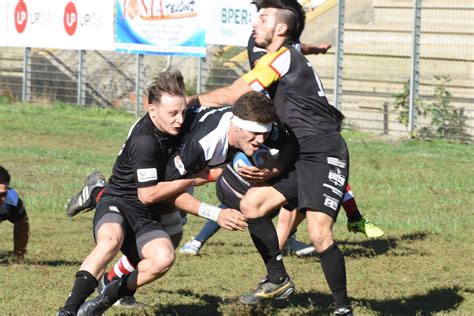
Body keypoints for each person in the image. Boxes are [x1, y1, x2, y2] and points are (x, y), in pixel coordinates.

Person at [192, 0, 354, 314]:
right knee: (252, 204)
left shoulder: (282, 57)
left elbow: (237, 92)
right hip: (299, 151)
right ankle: (276, 278)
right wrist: (277, 166)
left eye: (263, 18)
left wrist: (189, 102)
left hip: (322, 151)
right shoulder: (280, 56)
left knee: (320, 233)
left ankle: (342, 308)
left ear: (281, 29)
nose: (255, 24)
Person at [57, 71, 247, 316]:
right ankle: (68, 311)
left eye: (183, 112)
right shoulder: (146, 141)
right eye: (173, 114)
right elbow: (148, 194)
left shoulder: (177, 121)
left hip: (144, 212)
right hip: (120, 200)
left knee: (164, 257)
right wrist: (199, 179)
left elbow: (202, 101)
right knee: (111, 241)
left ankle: (105, 299)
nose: (180, 120)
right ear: (152, 110)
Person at [0, 165, 29, 261]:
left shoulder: (11, 202)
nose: (2, 199)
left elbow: (22, 224)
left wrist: (18, 255)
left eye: (4, 194)